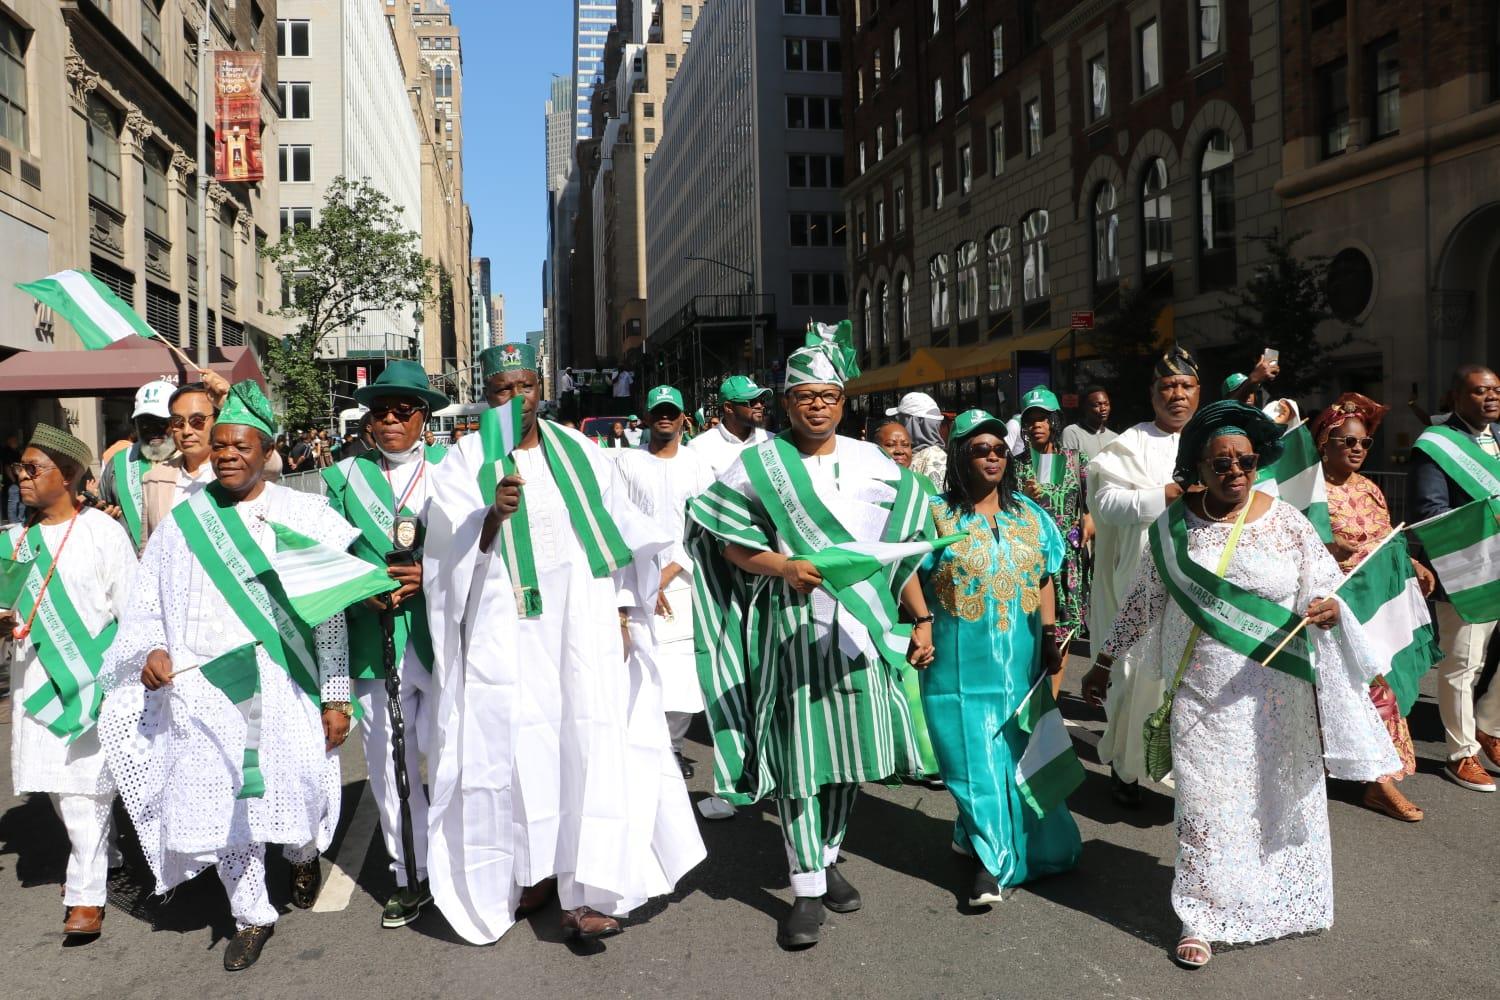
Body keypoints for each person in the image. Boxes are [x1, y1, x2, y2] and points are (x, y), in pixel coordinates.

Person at [1088, 400, 1397, 968]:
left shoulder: (1287, 523)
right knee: (1204, 802)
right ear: (1198, 469)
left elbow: (1324, 589)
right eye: (1221, 463)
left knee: (1273, 800)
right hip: (1203, 692)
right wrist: (1104, 660)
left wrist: (1328, 610)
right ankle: (1199, 915)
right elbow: (1144, 600)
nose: (1235, 472)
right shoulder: (1173, 527)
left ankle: (1269, 892)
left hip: (1277, 694)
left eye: (1246, 461)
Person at [422, 342, 704, 946]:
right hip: (505, 636)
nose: (514, 399)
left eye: (525, 386)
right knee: (518, 753)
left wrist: (627, 610)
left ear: (540, 386)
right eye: (501, 388)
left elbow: (623, 536)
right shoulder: (463, 458)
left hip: (583, 627)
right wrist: (488, 519)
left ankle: (589, 892)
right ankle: (528, 871)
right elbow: (442, 555)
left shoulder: (580, 451)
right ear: (487, 392)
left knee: (588, 745)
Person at [686, 331, 934, 949]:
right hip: (791, 627)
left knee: (849, 754)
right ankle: (805, 890)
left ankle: (825, 855)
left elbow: (898, 554)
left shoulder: (877, 463)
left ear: (843, 402)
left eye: (827, 396)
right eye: (804, 396)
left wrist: (921, 617)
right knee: (800, 757)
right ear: (787, 403)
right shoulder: (757, 465)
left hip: (860, 629)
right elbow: (729, 545)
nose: (816, 406)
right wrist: (783, 567)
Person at [99, 382, 358, 972]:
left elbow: (331, 614)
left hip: (284, 681)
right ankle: (250, 914)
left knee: (297, 790)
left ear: (265, 449)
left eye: (239, 445)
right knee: (223, 806)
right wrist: (152, 652)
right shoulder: (183, 524)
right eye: (218, 446)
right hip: (206, 688)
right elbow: (146, 607)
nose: (227, 455)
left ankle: (300, 853)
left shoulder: (304, 513)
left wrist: (336, 695)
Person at [916, 409, 1079, 906]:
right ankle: (993, 862)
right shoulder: (934, 516)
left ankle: (978, 837)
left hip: (1023, 663)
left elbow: (1045, 576)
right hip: (958, 668)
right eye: (979, 450)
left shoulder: (1029, 515)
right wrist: (921, 621)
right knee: (974, 760)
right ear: (958, 457)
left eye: (999, 450)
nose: (992, 457)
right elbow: (904, 572)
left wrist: (1052, 636)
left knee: (1018, 756)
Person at [321, 361, 449, 928]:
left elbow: (485, 551)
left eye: (404, 409)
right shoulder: (340, 479)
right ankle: (409, 874)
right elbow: (323, 562)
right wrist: (361, 587)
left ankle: (457, 866)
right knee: (390, 767)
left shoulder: (454, 470)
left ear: (425, 415)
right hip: (376, 645)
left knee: (451, 760)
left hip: (444, 641)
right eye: (380, 411)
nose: (391, 420)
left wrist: (434, 574)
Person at [3, 424, 136, 940]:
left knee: (85, 791)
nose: (22, 478)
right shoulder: (15, 541)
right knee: (62, 790)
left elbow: (132, 608)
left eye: (33, 469)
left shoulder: (103, 533)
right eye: (20, 469)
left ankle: (85, 895)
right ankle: (109, 851)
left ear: (70, 476)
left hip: (91, 677)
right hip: (37, 680)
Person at [1079, 347, 1202, 808]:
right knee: (1131, 675)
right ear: (1152, 395)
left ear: (1198, 393)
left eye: (1186, 386)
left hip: (1201, 585)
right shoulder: (1131, 443)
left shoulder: (1216, 440)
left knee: (1190, 679)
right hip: (1138, 579)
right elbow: (1105, 504)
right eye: (1167, 386)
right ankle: (1125, 767)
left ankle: (1188, 776)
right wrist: (1166, 494)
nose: (1177, 394)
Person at [1315, 393, 1434, 821]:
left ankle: (1378, 778)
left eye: (1363, 443)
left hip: (1375, 610)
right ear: (1324, 443)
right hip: (1334, 610)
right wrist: (1330, 547)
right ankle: (1363, 776)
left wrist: (1414, 564)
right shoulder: (1308, 492)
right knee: (1345, 693)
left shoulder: (1371, 489)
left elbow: (1390, 541)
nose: (1357, 450)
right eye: (1347, 442)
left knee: (1380, 686)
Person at [614, 385, 715, 778]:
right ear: (647, 416)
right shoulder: (625, 462)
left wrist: (670, 572)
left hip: (683, 583)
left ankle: (672, 747)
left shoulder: (697, 465)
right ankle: (644, 748)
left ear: (683, 416)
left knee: (681, 679)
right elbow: (617, 523)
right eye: (658, 412)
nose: (665, 418)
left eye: (672, 411)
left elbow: (706, 527)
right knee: (640, 667)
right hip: (635, 582)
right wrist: (635, 586)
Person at [1409, 364, 1500, 792]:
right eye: (1480, 391)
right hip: (1467, 570)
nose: (1491, 397)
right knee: (1463, 664)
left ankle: (1489, 727)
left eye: (1496, 390)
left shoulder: (1499, 437)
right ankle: (1461, 754)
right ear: (1456, 397)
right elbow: (1430, 514)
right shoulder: (1435, 446)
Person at [1014, 387, 1092, 679]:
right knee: (1033, 634)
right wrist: (1022, 497)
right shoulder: (1014, 466)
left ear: (1054, 422)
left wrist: (1089, 517)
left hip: (1068, 562)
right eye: (1030, 420)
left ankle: (1052, 707)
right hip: (1032, 563)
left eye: (1042, 418)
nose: (1035, 425)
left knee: (1064, 633)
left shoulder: (1075, 460)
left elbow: (1091, 501)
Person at [140, 375, 232, 544]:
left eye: (197, 421)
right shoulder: (154, 478)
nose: (187, 431)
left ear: (217, 420)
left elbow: (270, 464)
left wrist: (231, 406)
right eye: (178, 422)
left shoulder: (236, 469)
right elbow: (148, 547)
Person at [99, 379, 177, 551]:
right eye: (144, 422)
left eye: (161, 422)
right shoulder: (119, 463)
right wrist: (100, 516)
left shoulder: (192, 461)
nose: (153, 429)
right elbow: (101, 506)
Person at [687, 375, 773, 478]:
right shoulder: (699, 447)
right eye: (752, 402)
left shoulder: (772, 440)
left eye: (762, 401)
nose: (759, 406)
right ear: (729, 407)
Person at [890, 391, 946, 491]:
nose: (897, 424)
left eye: (900, 419)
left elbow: (933, 503)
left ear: (914, 422)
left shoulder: (933, 458)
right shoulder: (914, 454)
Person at [1060, 387, 1118, 462]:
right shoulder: (1072, 433)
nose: (1103, 408)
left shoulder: (1115, 438)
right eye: (1097, 405)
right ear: (1085, 407)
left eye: (1106, 404)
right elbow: (1069, 467)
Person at [1, 430, 22, 524]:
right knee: (14, 502)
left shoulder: (16, 452)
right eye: (14, 440)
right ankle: (14, 523)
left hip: (17, 482)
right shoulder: (7, 452)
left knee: (21, 503)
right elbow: (7, 467)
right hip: (12, 483)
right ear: (9, 441)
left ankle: (20, 521)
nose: (16, 442)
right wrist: (14, 481)